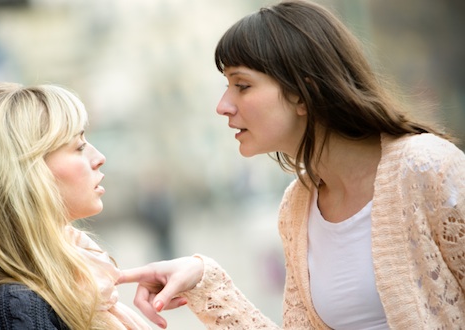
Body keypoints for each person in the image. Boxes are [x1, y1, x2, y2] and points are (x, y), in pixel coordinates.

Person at [117, 0, 465, 329]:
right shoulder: (297, 207)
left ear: (303, 93)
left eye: (242, 85)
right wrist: (202, 279)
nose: (223, 105)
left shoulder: (428, 168)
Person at [0, 83, 157, 329]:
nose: (99, 158)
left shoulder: (76, 277)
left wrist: (199, 277)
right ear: (25, 174)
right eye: (79, 146)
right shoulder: (12, 311)